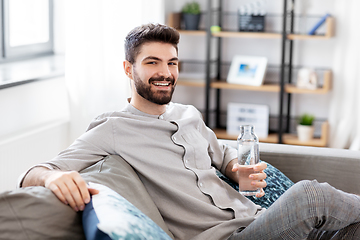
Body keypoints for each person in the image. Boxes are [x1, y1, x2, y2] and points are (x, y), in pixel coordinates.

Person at [21, 23, 360, 240]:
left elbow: (222, 154)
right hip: (226, 238)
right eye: (152, 62)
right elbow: (37, 172)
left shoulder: (189, 114)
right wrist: (51, 179)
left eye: (172, 63)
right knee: (310, 196)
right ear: (129, 68)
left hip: (260, 219)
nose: (165, 72)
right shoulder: (112, 128)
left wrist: (234, 170)